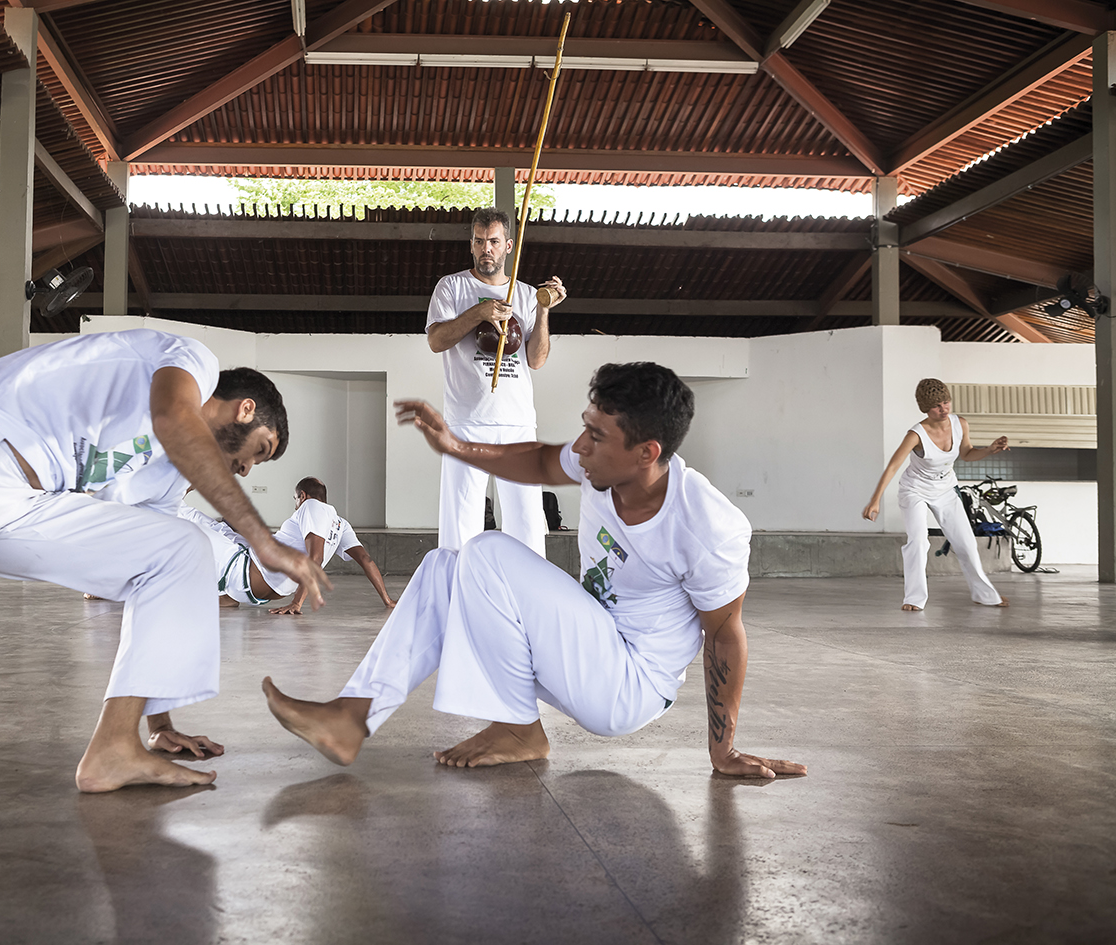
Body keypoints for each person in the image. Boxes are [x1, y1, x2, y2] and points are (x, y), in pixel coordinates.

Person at [0, 329, 331, 793]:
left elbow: (153, 578)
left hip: (26, 505)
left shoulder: (167, 472)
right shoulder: (190, 360)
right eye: (259, 450)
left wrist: (159, 720)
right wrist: (260, 539)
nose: (245, 468)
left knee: (179, 548)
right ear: (245, 410)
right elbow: (172, 416)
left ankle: (116, 745)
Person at [263, 362, 806, 779]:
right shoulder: (599, 465)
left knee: (488, 552)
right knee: (442, 567)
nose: (582, 446)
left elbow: (725, 637)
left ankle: (520, 730)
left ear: (647, 452)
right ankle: (350, 718)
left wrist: (723, 751)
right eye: (585, 428)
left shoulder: (707, 524)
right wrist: (455, 445)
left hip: (629, 685)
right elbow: (540, 460)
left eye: (597, 436)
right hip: (583, 652)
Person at [427, 206, 567, 557]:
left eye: (492, 241)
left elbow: (536, 360)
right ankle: (458, 594)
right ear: (471, 245)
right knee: (461, 520)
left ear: (508, 246)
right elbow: (436, 341)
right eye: (478, 242)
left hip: (517, 423)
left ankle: (527, 597)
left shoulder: (524, 294)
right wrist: (479, 312)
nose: (485, 248)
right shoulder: (452, 286)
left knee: (527, 522)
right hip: (465, 422)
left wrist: (545, 309)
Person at [863, 378, 1009, 611]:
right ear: (925, 408)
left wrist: (990, 450)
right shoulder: (917, 434)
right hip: (915, 490)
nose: (943, 409)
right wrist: (875, 500)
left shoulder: (960, 424)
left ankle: (985, 595)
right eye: (936, 406)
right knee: (919, 542)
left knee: (967, 543)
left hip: (945, 489)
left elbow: (967, 454)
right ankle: (914, 598)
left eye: (946, 402)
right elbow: (892, 466)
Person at [178, 477, 397, 615]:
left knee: (191, 519)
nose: (295, 505)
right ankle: (227, 597)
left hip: (244, 571)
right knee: (223, 526)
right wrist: (386, 600)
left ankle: (178, 489)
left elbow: (315, 559)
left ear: (302, 496)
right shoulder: (341, 524)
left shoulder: (311, 507)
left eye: (295, 499)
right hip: (256, 577)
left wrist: (297, 603)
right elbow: (366, 560)